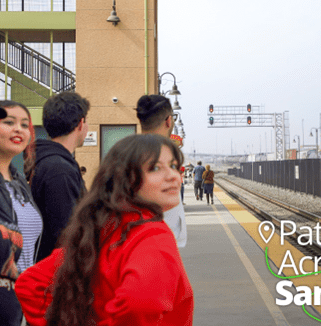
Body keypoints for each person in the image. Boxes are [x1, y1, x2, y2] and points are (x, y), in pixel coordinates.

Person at [15, 134, 194, 326]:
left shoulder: (101, 230)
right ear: (127, 179)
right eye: (156, 168)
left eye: (174, 166)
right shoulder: (152, 235)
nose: (173, 176)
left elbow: (30, 284)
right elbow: (140, 304)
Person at [29, 92, 89, 262]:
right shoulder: (59, 170)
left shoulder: (44, 160)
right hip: (56, 277)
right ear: (81, 123)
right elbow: (66, 235)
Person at [0, 101, 43, 326]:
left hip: (23, 300)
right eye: (8, 122)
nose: (19, 129)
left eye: (25, 124)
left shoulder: (19, 183)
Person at [136, 94, 187, 247]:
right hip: (159, 242)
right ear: (168, 121)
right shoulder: (165, 156)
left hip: (135, 240)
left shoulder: (126, 153)